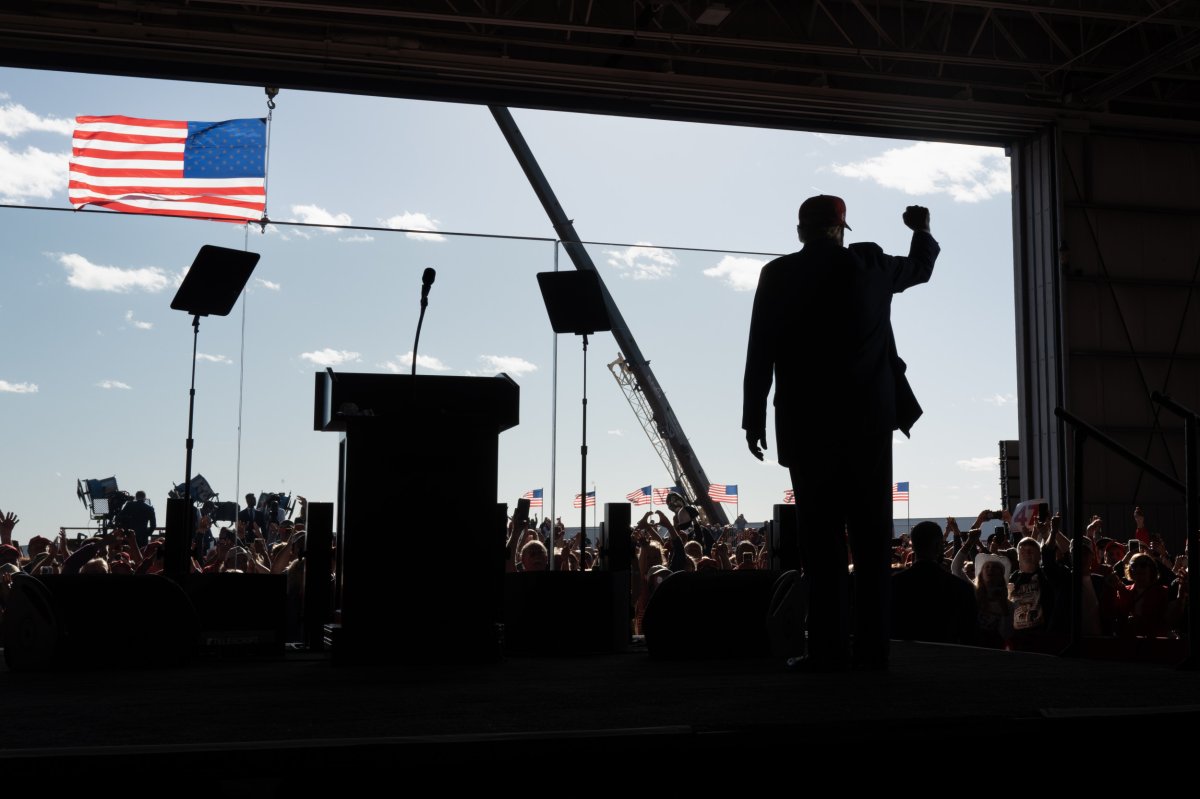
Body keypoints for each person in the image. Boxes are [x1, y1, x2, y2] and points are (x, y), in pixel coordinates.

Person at [742, 195, 938, 671]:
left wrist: (753, 417)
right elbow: (920, 268)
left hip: (808, 429)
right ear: (840, 229)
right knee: (871, 544)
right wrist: (922, 228)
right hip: (869, 427)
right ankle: (873, 652)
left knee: (822, 544)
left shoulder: (778, 275)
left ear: (800, 231)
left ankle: (827, 650)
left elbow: (760, 350)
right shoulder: (870, 265)